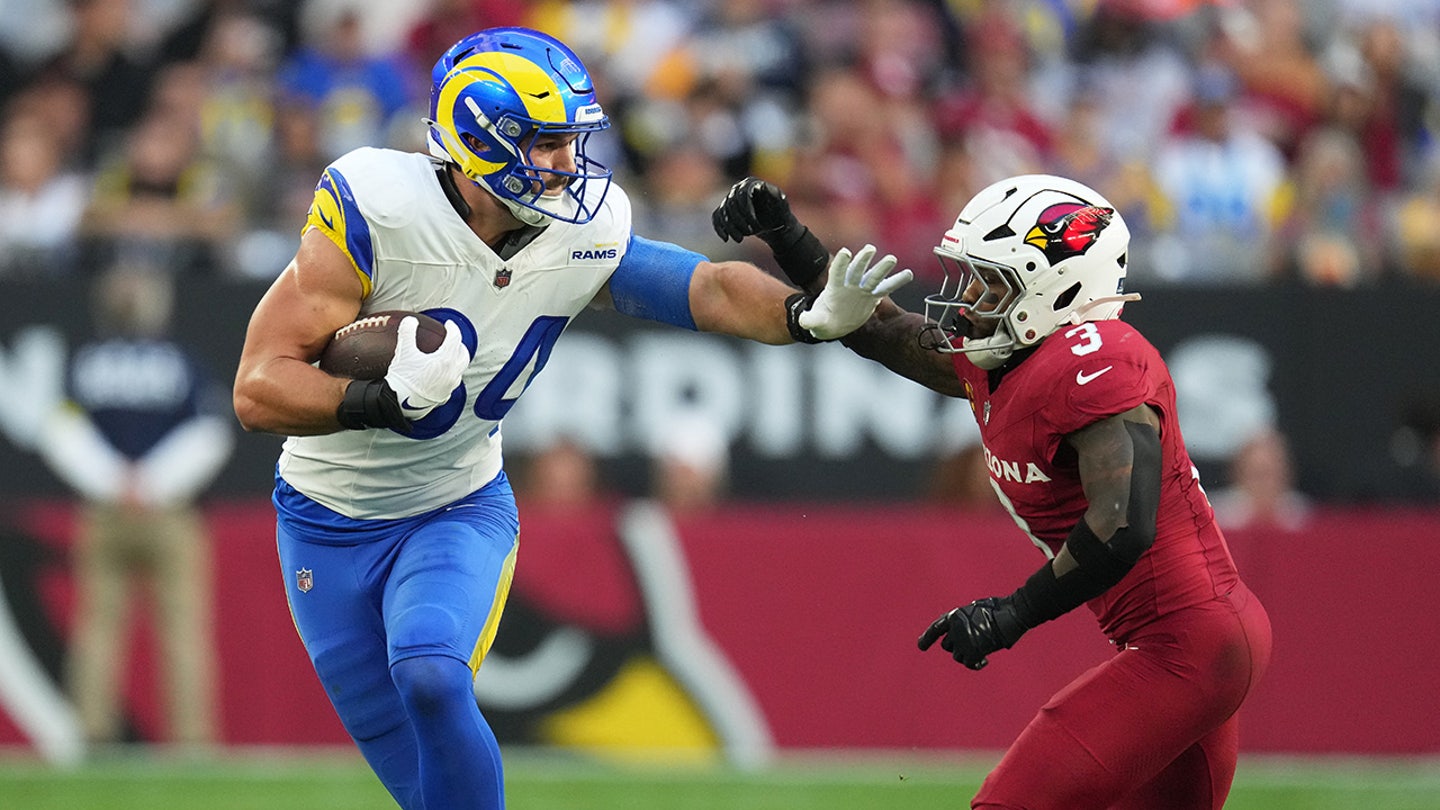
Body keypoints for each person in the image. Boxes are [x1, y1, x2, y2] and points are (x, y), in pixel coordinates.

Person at [230, 26, 909, 810]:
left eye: (570, 142)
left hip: (453, 503)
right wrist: (373, 401)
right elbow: (257, 388)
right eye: (547, 143)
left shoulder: (581, 228)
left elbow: (706, 287)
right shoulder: (379, 207)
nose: (568, 164)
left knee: (430, 671)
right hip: (323, 520)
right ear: (481, 139)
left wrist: (804, 315)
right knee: (421, 786)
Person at [713, 173, 1273, 809]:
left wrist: (1011, 615)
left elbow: (1123, 523)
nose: (969, 298)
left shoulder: (1098, 358)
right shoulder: (1011, 360)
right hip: (1191, 646)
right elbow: (886, 332)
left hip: (1187, 648)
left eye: (991, 283)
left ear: (1058, 288)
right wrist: (787, 236)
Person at [37, 263, 233, 749]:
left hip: (105, 511)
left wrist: (113, 481)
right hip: (169, 512)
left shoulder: (87, 362)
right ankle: (191, 743)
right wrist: (152, 484)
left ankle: (91, 736)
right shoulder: (179, 361)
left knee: (97, 631)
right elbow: (210, 432)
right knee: (182, 633)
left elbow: (61, 430)